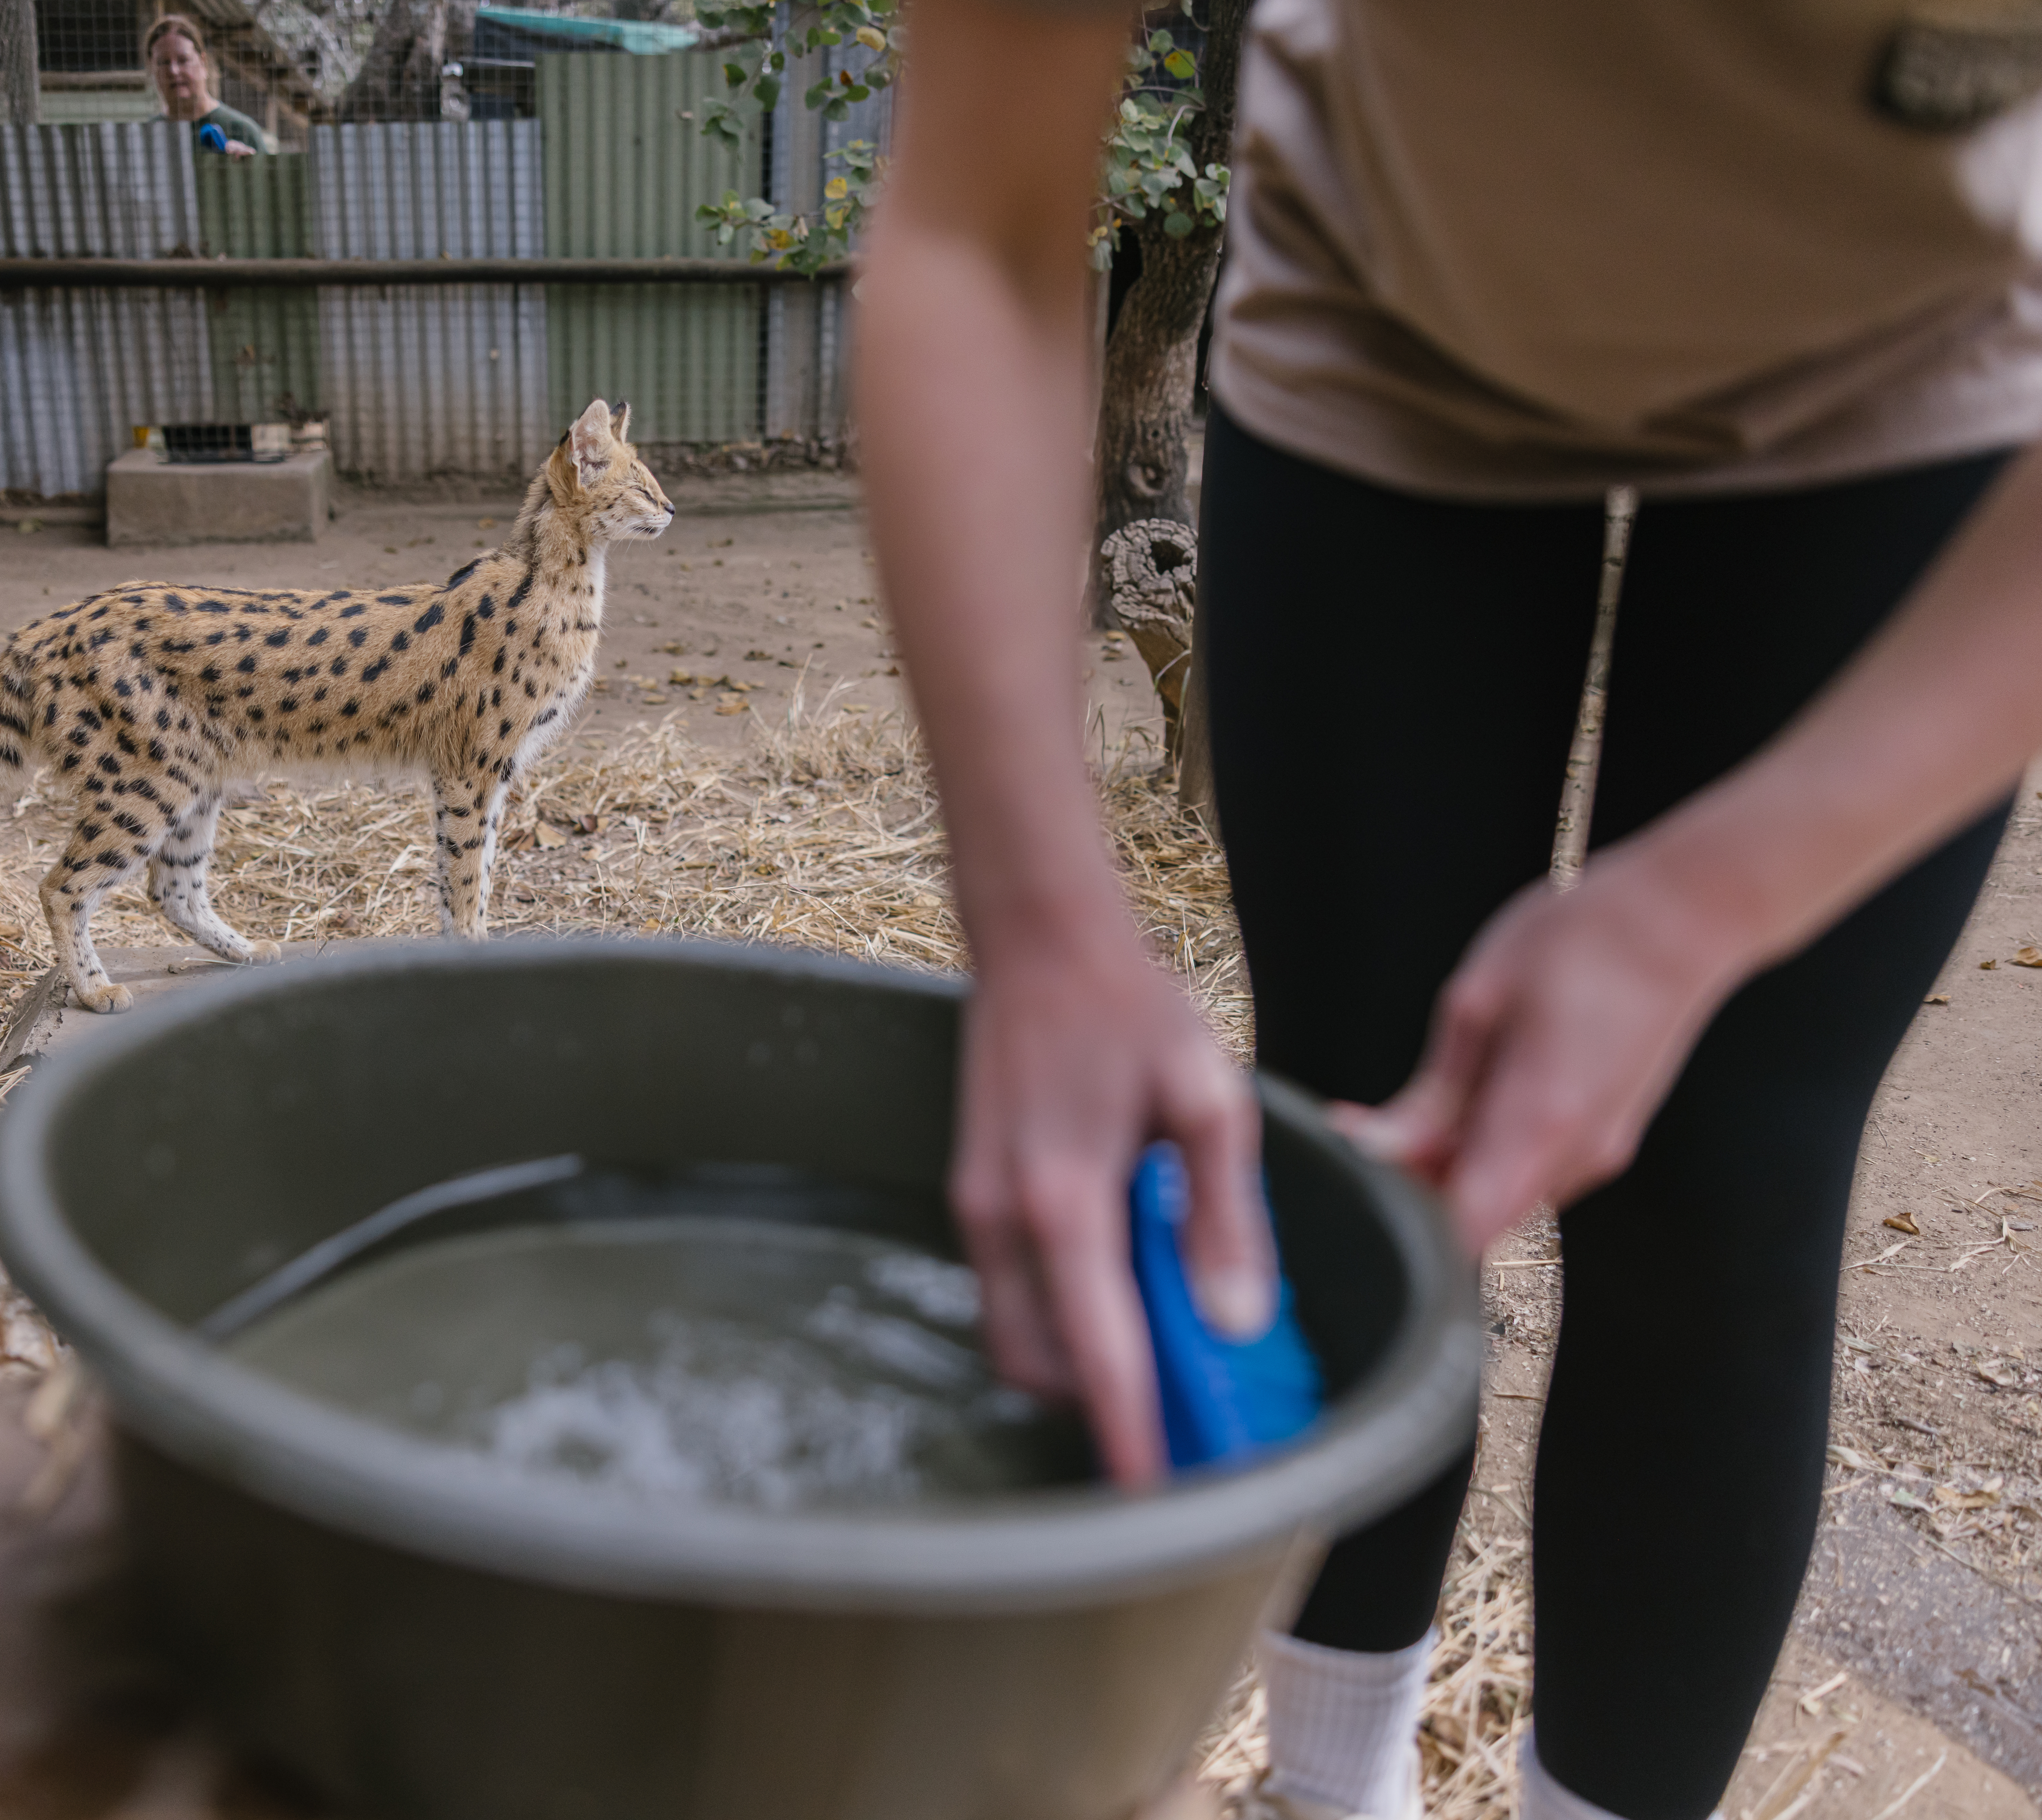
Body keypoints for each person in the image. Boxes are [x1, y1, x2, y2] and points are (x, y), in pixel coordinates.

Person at [851, 2, 2042, 1817]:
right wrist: (1036, 917)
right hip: (1391, 317)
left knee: (1724, 1185)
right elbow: (971, 221)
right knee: (1357, 1141)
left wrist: (1709, 902)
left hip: (1914, 373)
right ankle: (1326, 1789)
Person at [145, 14, 271, 157]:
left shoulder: (243, 131)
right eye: (163, 62)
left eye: (183, 60)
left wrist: (250, 168)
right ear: (152, 70)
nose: (174, 71)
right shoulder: (148, 135)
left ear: (203, 63)